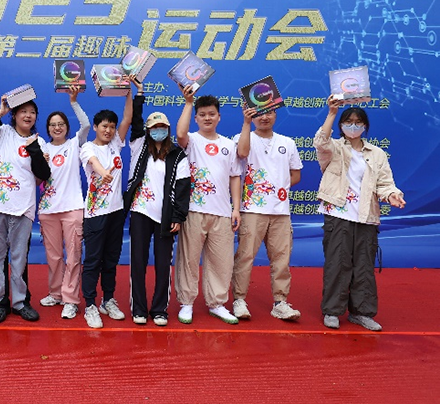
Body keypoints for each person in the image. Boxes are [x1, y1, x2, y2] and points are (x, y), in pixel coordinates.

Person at [315, 98, 406, 331]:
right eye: (349, 122)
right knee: (337, 263)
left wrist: (392, 195)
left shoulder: (377, 154)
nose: (353, 126)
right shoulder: (334, 148)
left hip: (366, 216)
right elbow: (320, 142)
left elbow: (385, 183)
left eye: (358, 122)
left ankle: (361, 312)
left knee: (364, 266)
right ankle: (332, 310)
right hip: (338, 214)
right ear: (341, 125)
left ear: (365, 126)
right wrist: (332, 113)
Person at [0, 92, 51, 323]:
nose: (28, 115)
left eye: (32, 112)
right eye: (23, 111)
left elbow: (44, 174)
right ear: (15, 115)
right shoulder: (1, 133)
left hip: (23, 208)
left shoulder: (39, 142)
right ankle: (0, 302)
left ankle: (19, 302)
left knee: (19, 258)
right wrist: (0, 113)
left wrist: (33, 149)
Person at [174, 87, 242, 325]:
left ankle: (217, 303)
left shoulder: (228, 145)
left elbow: (235, 176)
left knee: (221, 261)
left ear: (219, 117)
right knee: (189, 259)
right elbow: (180, 134)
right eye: (202, 114)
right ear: (196, 118)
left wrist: (235, 208)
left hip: (222, 212)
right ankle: (186, 303)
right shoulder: (192, 140)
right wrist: (188, 102)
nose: (207, 118)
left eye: (211, 114)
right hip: (193, 210)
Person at [231, 107, 303, 321]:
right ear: (253, 116)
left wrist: (279, 187)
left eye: (269, 113)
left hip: (281, 211)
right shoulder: (242, 138)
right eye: (260, 113)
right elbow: (242, 153)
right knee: (245, 256)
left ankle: (280, 302)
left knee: (281, 258)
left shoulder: (287, 143)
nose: (264, 117)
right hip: (252, 209)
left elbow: (296, 175)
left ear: (276, 115)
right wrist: (246, 123)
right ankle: (239, 299)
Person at [125, 90, 190, 326]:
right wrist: (139, 94)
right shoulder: (139, 145)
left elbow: (183, 188)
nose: (158, 130)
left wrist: (178, 216)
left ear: (168, 129)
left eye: (162, 127)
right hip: (140, 212)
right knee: (138, 262)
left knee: (163, 265)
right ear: (147, 130)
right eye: (154, 127)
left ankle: (160, 309)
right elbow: (136, 119)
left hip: (165, 217)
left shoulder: (178, 154)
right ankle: (139, 309)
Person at [79, 78, 139, 329]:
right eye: (105, 126)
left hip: (116, 212)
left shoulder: (116, 143)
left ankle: (108, 300)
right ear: (95, 127)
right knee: (93, 260)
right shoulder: (87, 147)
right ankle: (90, 305)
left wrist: (129, 92)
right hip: (95, 214)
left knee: (111, 259)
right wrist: (103, 172)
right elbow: (94, 163)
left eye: (112, 127)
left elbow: (128, 118)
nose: (109, 130)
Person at [37, 85, 89, 320]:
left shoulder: (74, 144)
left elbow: (85, 125)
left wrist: (73, 102)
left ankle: (70, 299)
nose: (57, 127)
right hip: (48, 210)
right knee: (54, 256)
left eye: (60, 124)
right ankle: (56, 293)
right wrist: (40, 160)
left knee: (73, 257)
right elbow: (36, 176)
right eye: (52, 125)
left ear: (67, 127)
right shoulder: (43, 148)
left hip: (72, 209)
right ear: (48, 129)